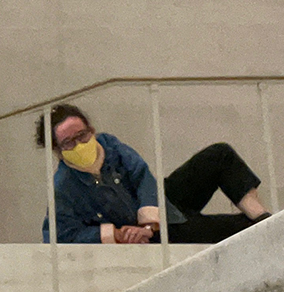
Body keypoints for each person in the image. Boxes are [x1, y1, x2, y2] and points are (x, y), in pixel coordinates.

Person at [35, 104, 271, 246]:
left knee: (219, 155)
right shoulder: (64, 186)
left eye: (82, 135)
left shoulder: (109, 144)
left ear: (92, 130)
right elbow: (59, 235)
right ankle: (265, 227)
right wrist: (115, 234)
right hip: (151, 235)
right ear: (57, 151)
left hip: (158, 207)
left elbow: (142, 178)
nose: (79, 144)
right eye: (69, 142)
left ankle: (262, 216)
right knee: (237, 229)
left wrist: (149, 224)